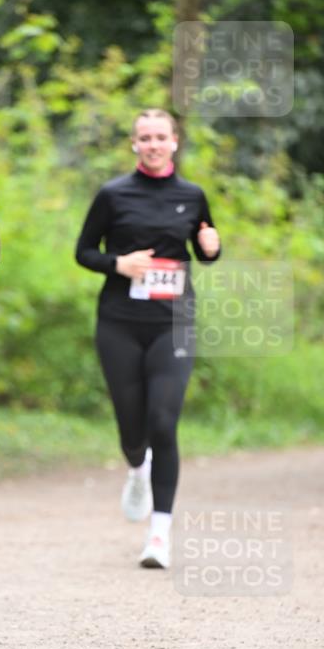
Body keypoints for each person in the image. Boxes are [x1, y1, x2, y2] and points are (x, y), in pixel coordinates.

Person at [75, 109, 220, 568]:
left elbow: (204, 248)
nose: (153, 144)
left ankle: (159, 535)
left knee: (163, 419)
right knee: (132, 429)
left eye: (161, 136)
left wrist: (214, 249)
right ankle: (138, 469)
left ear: (175, 142)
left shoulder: (193, 195)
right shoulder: (113, 194)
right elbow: (83, 252)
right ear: (134, 144)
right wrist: (118, 264)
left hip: (173, 322)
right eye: (145, 137)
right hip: (119, 321)